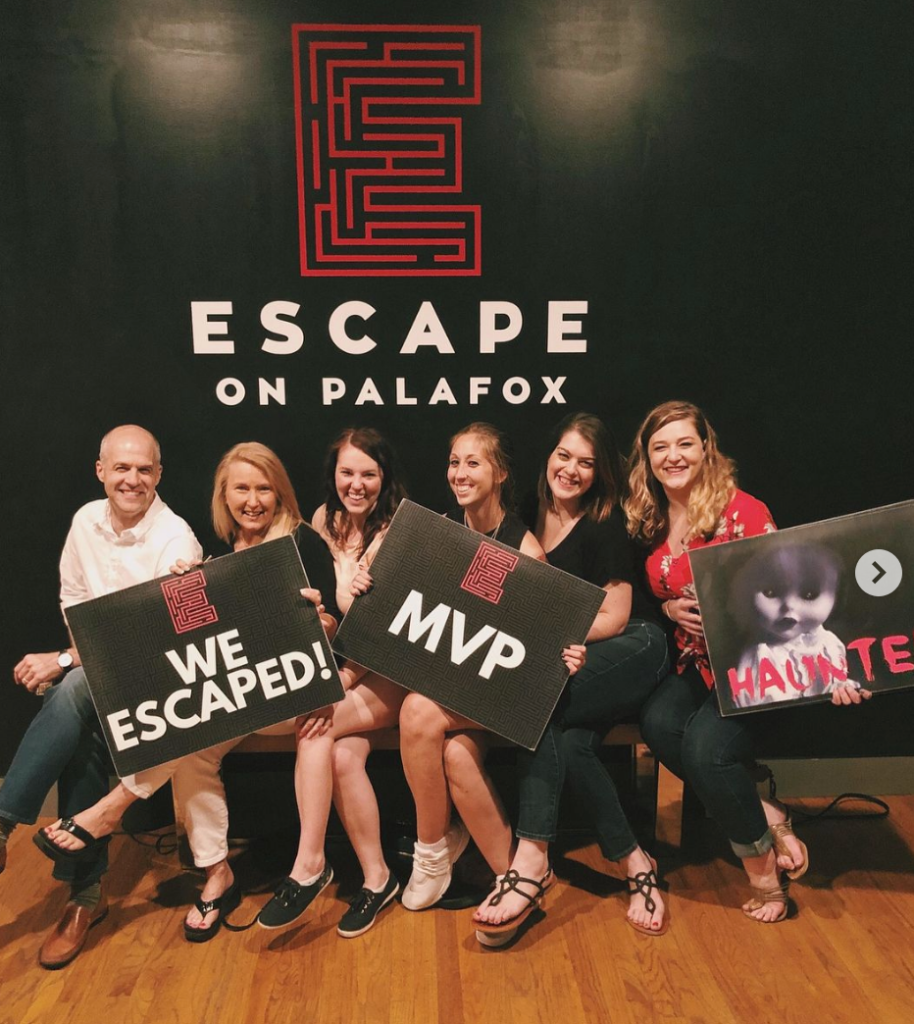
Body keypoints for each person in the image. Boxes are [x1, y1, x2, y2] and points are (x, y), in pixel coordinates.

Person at [34, 442, 340, 943]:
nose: (254, 500)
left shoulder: (303, 545)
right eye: (242, 488)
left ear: (280, 494)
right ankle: (217, 874)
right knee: (193, 746)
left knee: (196, 721)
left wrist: (319, 619)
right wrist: (185, 591)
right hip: (241, 696)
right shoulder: (217, 557)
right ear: (225, 495)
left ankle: (110, 809)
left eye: (265, 488)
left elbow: (333, 631)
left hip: (294, 699)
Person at [628, 400, 870, 924]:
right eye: (660, 448)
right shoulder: (648, 516)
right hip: (696, 664)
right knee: (658, 722)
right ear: (646, 460)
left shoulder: (743, 511)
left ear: (705, 448)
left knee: (708, 751)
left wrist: (839, 673)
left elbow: (794, 608)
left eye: (684, 444)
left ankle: (766, 878)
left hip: (756, 670)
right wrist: (670, 607)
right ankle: (764, 810)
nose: (673, 457)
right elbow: (655, 592)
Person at [0, 425, 202, 968]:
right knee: (80, 726)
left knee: (71, 685)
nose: (131, 480)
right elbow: (76, 603)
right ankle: (83, 900)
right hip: (98, 677)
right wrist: (73, 658)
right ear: (101, 471)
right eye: (121, 468)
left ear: (159, 475)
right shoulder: (84, 522)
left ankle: (6, 825)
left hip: (159, 681)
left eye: (143, 470)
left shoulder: (176, 539)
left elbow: (149, 637)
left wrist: (65, 659)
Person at [470, 412, 671, 942]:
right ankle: (636, 861)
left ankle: (531, 859)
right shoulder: (527, 515)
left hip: (634, 647)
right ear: (549, 458)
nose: (572, 469)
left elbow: (617, 615)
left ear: (600, 471)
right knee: (566, 739)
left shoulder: (603, 521)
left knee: (536, 704)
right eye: (564, 456)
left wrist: (570, 643)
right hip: (576, 653)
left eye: (586, 462)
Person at [397, 423, 586, 919]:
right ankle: (515, 878)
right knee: (456, 755)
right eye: (454, 462)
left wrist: (569, 651)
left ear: (500, 473)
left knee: (417, 711)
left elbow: (543, 644)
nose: (460, 473)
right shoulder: (440, 531)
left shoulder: (525, 549)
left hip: (503, 692)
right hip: (458, 689)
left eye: (473, 463)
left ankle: (431, 854)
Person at [731, 543, 849, 707]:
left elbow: (836, 683)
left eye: (809, 594)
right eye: (771, 592)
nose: (789, 605)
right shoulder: (760, 654)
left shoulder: (829, 644)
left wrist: (843, 690)